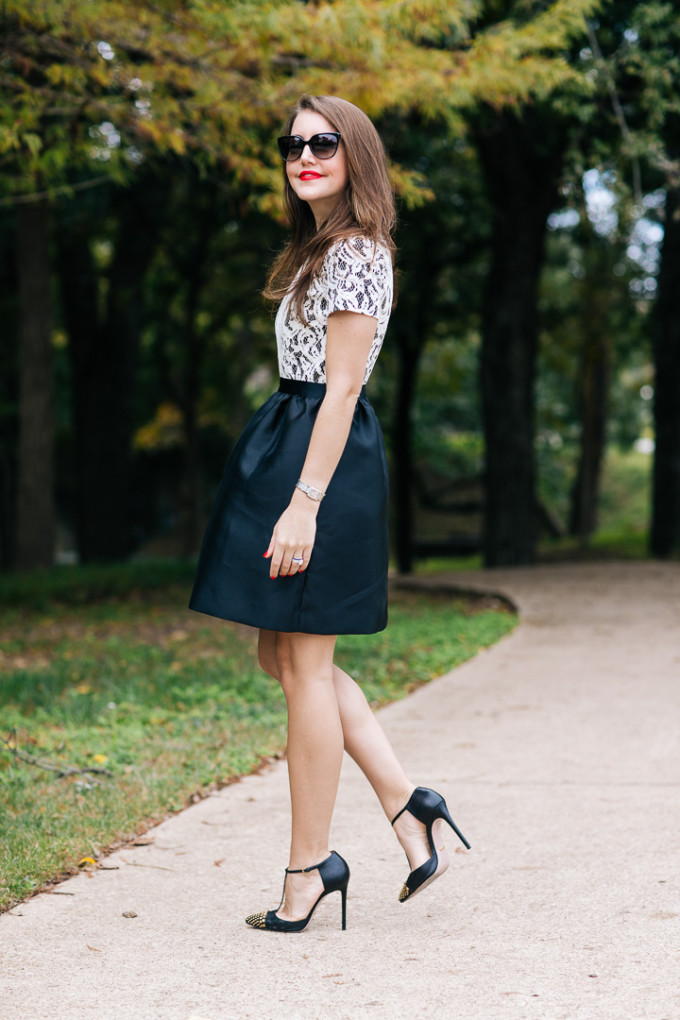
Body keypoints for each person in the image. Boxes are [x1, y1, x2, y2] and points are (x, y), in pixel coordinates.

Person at [189, 94, 469, 933]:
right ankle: (406, 805)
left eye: (324, 142)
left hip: (322, 459)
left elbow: (342, 388)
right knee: (280, 657)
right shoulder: (324, 251)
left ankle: (308, 871)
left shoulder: (354, 254)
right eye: (293, 142)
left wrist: (304, 505)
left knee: (304, 668)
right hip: (295, 443)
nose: (304, 154)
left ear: (357, 156)